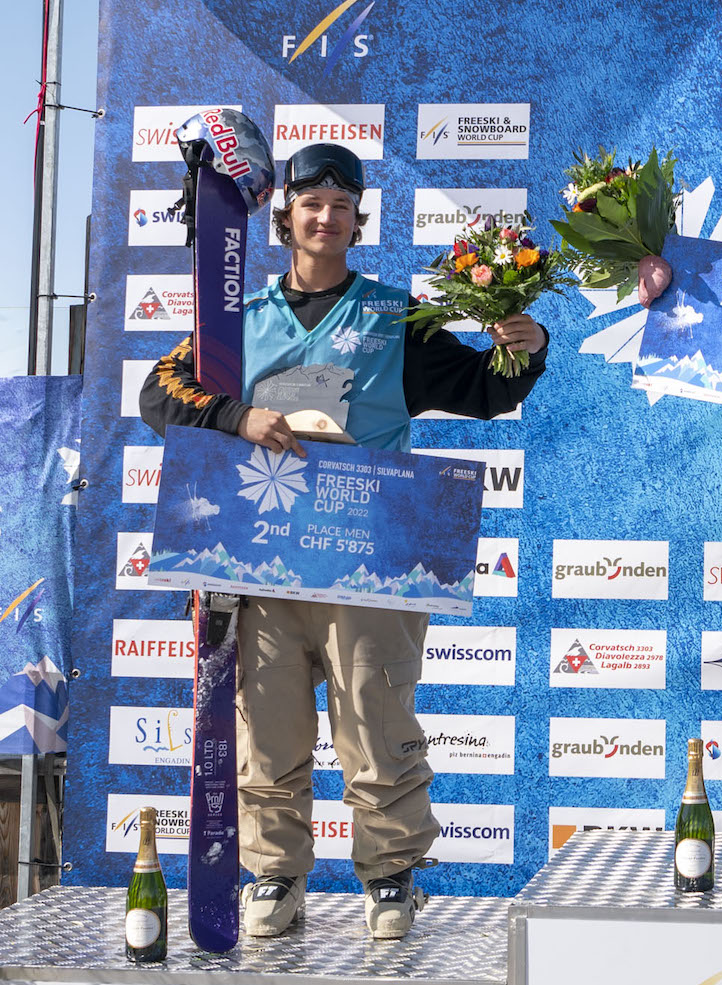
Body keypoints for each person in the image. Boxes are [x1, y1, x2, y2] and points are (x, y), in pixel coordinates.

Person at [139, 142, 650, 939]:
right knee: (266, 730)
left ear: (358, 221)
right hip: (262, 558)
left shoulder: (393, 317)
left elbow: (483, 391)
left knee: (376, 727)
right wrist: (237, 416)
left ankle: (389, 876)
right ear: (285, 218)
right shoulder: (239, 319)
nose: (327, 216)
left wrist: (526, 349)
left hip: (368, 559)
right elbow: (159, 392)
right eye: (312, 203)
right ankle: (274, 874)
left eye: (342, 206)